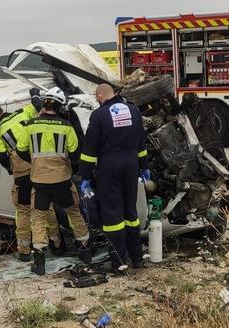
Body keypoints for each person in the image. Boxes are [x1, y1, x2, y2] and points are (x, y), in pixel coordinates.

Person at [16, 87, 92, 275]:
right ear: (59, 106)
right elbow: (75, 154)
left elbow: (20, 149)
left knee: (39, 218)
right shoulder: (66, 126)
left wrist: (35, 162)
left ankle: (39, 261)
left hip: (40, 180)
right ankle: (85, 250)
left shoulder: (30, 125)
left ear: (44, 103)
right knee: (74, 213)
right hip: (62, 179)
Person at [0, 97, 61, 262]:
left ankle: (24, 250)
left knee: (23, 210)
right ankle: (56, 243)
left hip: (21, 172)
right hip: (40, 166)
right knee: (47, 206)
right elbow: (38, 103)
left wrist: (11, 169)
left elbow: (1, 156)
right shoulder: (23, 111)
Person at [79, 83, 148, 275]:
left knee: (112, 215)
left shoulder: (99, 115)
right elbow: (141, 142)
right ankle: (137, 257)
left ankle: (118, 262)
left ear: (101, 96)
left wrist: (84, 176)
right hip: (131, 165)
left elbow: (90, 149)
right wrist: (144, 166)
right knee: (130, 212)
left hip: (109, 166)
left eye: (97, 97)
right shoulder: (134, 111)